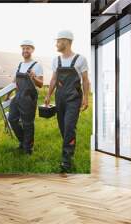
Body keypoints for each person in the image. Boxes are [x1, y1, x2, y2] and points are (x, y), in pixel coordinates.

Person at [44, 30, 90, 172]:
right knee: (63, 127)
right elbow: (53, 79)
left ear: (67, 41)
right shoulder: (55, 60)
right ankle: (70, 145)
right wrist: (48, 95)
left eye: (58, 41)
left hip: (73, 99)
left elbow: (85, 80)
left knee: (69, 126)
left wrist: (86, 98)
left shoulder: (80, 59)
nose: (56, 44)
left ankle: (66, 159)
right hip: (60, 98)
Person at [7, 40, 44, 155]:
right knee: (12, 119)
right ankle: (23, 141)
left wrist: (33, 77)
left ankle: (28, 148)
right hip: (18, 96)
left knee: (27, 123)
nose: (25, 51)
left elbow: (41, 84)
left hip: (29, 98)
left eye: (27, 48)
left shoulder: (37, 65)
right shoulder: (20, 65)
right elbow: (14, 82)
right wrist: (8, 95)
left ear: (32, 50)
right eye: (23, 48)